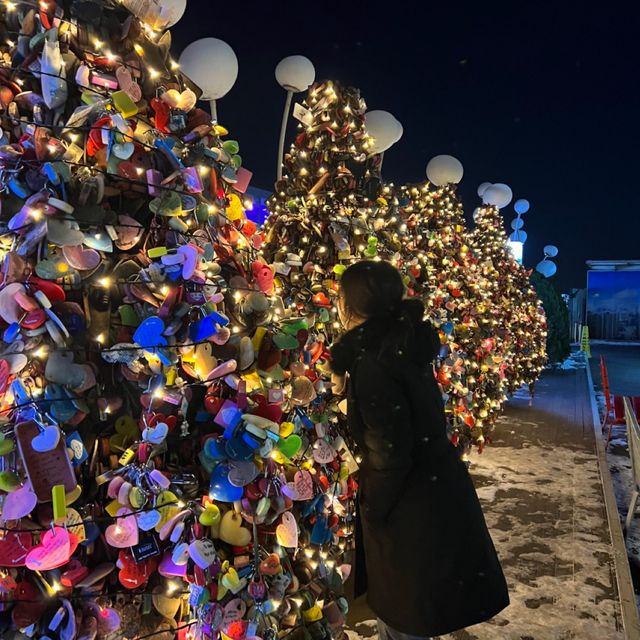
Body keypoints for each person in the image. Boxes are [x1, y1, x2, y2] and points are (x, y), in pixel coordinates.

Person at [330, 261, 509, 640]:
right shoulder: (402, 346)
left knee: (404, 617)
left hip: (409, 510)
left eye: (342, 296)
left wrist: (374, 510)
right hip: (433, 493)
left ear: (357, 303)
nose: (338, 304)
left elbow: (390, 453)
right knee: (412, 614)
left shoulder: (375, 362)